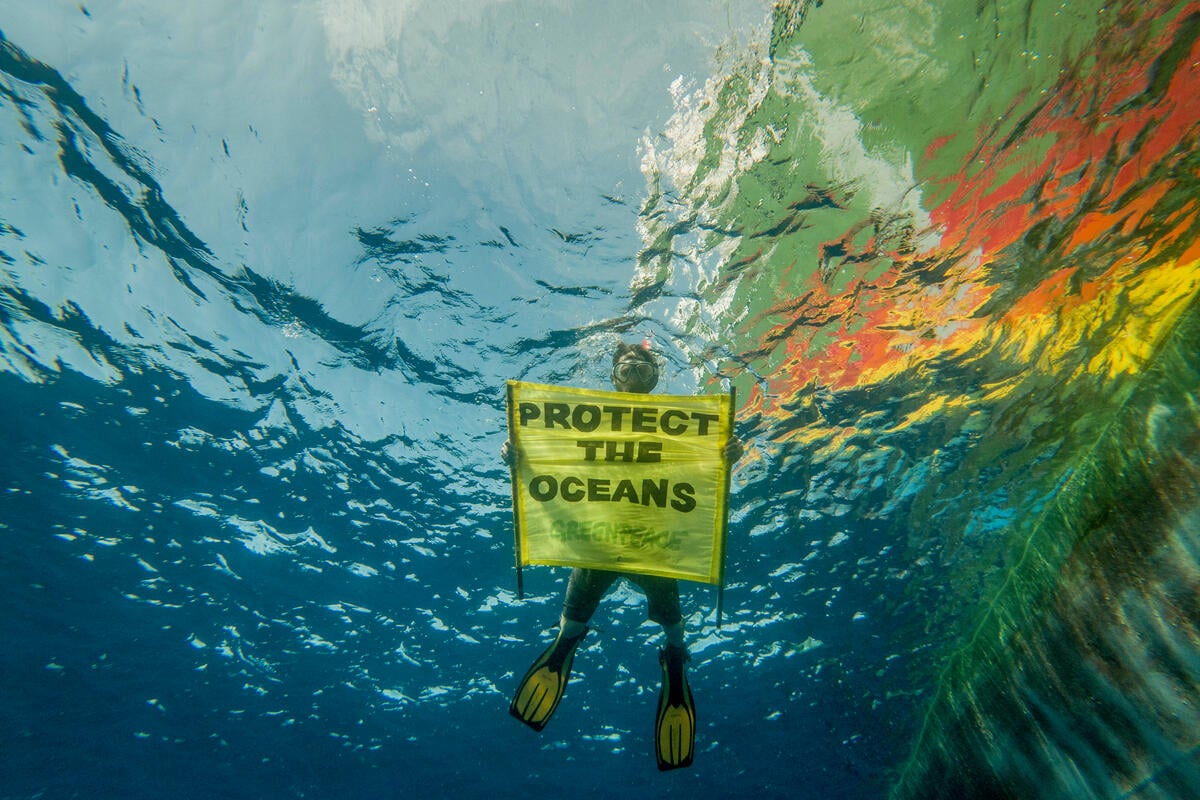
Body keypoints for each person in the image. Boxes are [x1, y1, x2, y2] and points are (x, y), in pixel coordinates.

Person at [501, 341, 743, 771]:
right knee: (578, 619)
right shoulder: (588, 418)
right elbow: (558, 460)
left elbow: (700, 476)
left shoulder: (684, 427)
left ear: (655, 376)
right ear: (613, 377)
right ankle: (570, 642)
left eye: (642, 366)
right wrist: (520, 455)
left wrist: (726, 456)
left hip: (653, 542)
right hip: (600, 541)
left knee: (673, 622)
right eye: (625, 365)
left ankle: (673, 656)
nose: (633, 370)